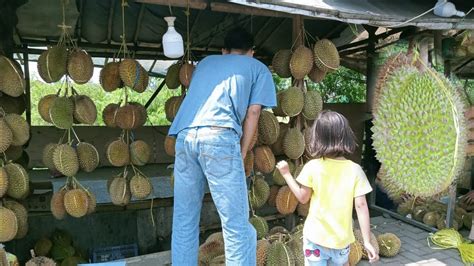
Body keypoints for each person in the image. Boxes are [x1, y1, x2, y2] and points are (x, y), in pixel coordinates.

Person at [168, 27, 277, 265]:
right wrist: (243, 149)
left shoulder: (206, 63)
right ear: (252, 52)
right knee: (237, 226)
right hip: (218, 135)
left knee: (184, 220)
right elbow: (254, 112)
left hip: (185, 137)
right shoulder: (257, 68)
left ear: (223, 51)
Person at [276, 110, 379, 266]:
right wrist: (367, 241)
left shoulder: (312, 167)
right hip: (341, 241)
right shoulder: (355, 170)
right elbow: (361, 206)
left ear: (317, 139)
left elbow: (302, 198)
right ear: (346, 137)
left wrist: (286, 175)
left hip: (315, 240)